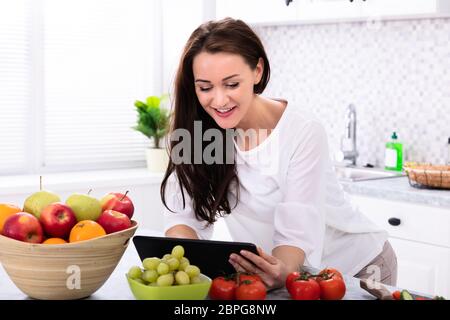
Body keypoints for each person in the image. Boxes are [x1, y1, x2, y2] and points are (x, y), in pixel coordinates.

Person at [160, 17, 397, 290]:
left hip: (359, 267)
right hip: (288, 275)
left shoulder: (302, 131)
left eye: (232, 84)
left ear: (257, 71)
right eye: (205, 87)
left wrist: (281, 271)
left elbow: (296, 234)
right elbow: (182, 218)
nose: (220, 100)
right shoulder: (197, 132)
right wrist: (182, 267)